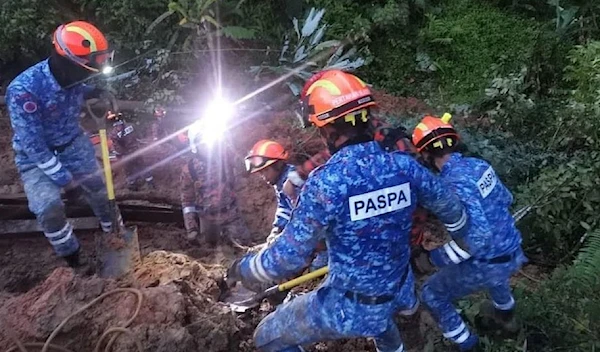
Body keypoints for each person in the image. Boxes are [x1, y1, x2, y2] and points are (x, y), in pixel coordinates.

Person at [226, 70, 468, 352]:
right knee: (386, 327)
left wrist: (243, 268)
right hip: (401, 291)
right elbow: (454, 211)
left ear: (326, 129)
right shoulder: (406, 167)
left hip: (350, 306)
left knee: (267, 338)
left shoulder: (326, 183)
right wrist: (441, 255)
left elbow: (287, 260)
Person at [5, 21, 116, 268]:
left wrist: (94, 92)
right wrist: (65, 179)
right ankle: (73, 258)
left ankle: (114, 234)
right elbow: (34, 146)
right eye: (85, 70)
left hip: (73, 143)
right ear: (64, 61)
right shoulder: (24, 91)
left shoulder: (72, 76)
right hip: (36, 157)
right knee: (48, 208)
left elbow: (78, 88)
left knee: (101, 189)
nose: (88, 74)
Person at [411, 114, 527, 351]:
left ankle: (467, 345)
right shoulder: (479, 165)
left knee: (432, 293)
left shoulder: (453, 183)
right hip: (514, 251)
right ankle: (507, 320)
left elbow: (477, 237)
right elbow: (506, 198)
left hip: (489, 262)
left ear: (424, 155)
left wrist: (432, 259)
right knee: (497, 276)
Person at [244, 139, 327, 270]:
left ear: (277, 165)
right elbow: (284, 209)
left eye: (265, 171)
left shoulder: (296, 182)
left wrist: (285, 239)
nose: (262, 176)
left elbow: (313, 218)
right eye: (260, 173)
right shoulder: (280, 183)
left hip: (322, 242)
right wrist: (277, 230)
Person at [180, 120, 252, 246]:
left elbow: (246, 171)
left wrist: (230, 147)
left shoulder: (226, 156)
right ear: (195, 145)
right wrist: (192, 228)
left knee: (244, 246)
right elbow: (187, 200)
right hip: (207, 219)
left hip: (231, 216)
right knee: (211, 249)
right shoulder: (189, 169)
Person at [107, 111, 154, 191]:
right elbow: (137, 136)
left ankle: (133, 185)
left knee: (129, 170)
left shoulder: (113, 134)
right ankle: (150, 183)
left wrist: (118, 155)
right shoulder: (130, 126)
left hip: (127, 154)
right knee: (142, 166)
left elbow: (118, 148)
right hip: (136, 150)